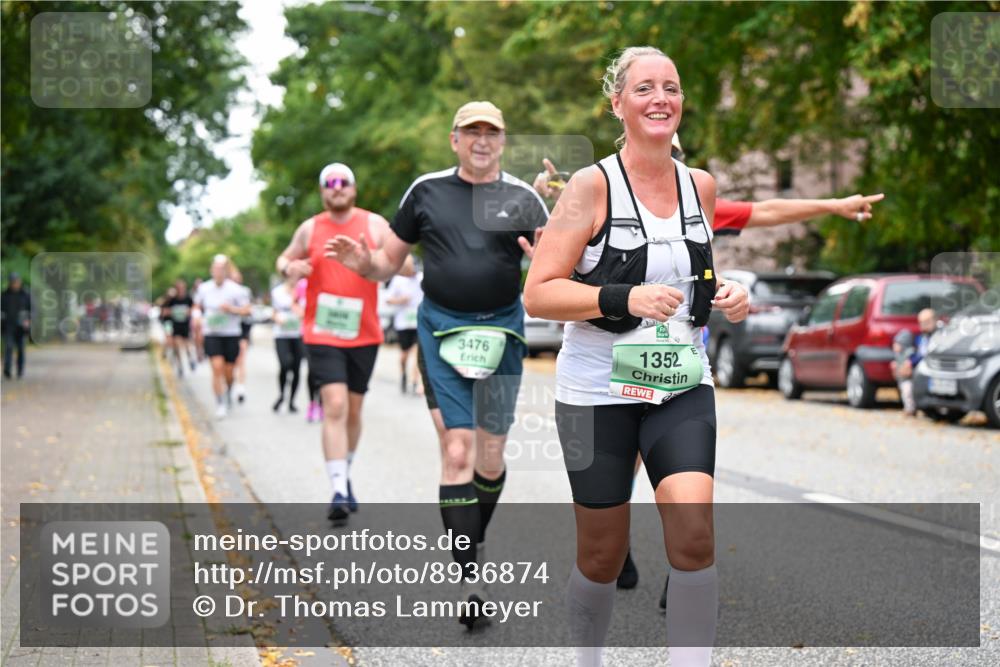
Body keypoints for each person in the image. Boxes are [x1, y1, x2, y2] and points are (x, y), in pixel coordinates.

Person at [523, 47, 749, 666]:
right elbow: (539, 292)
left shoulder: (699, 183)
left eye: (671, 88)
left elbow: (694, 269)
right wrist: (625, 296)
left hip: (680, 381)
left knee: (695, 535)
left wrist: (727, 293)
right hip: (596, 390)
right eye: (645, 88)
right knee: (600, 554)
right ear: (617, 103)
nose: (661, 99)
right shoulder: (589, 187)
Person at [326, 100, 548, 628]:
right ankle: (471, 581)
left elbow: (556, 268)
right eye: (471, 132)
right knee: (457, 448)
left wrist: (546, 266)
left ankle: (472, 533)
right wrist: (366, 266)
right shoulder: (425, 192)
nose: (481, 141)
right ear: (454, 140)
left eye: (491, 133)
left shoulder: (524, 198)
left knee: (490, 460)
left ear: (502, 141)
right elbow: (386, 262)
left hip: (502, 334)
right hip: (442, 331)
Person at [276, 162, 391, 525]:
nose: (336, 187)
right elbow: (284, 258)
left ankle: (346, 470)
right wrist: (288, 270)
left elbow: (401, 263)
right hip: (322, 330)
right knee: (335, 405)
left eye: (343, 182)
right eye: (329, 183)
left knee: (354, 411)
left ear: (354, 190)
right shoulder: (310, 228)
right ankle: (338, 489)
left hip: (364, 331)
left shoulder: (374, 224)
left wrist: (369, 260)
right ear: (322, 191)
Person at [193, 255, 252, 419]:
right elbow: (197, 306)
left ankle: (229, 390)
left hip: (231, 334)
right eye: (215, 269)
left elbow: (248, 310)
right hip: (212, 333)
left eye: (221, 269)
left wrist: (231, 309)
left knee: (228, 372)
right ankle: (220, 403)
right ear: (211, 270)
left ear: (226, 271)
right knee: (216, 367)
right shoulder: (204, 288)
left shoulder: (236, 289)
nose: (218, 272)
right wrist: (197, 315)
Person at [385, 257, 424, 394]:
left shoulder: (421, 278)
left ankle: (414, 381)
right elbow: (388, 299)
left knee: (419, 353)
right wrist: (400, 300)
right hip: (403, 322)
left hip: (418, 322)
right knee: (404, 354)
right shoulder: (398, 280)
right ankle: (403, 374)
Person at [270, 276, 306, 413]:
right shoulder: (277, 292)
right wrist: (277, 319)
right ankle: (281, 395)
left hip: (298, 334)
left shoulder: (303, 290)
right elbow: (273, 313)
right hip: (281, 334)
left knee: (296, 368)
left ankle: (291, 401)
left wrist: (301, 313)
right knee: (285, 364)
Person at [163, 279, 196, 377]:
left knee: (187, 345)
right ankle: (180, 366)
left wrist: (189, 313)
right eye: (179, 288)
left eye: (183, 288)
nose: (181, 290)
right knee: (177, 346)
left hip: (185, 326)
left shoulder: (188, 299)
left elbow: (194, 309)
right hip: (175, 326)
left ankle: (190, 359)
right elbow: (165, 313)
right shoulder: (171, 300)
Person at [2, 272, 31, 379]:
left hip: (21, 328)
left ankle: (20, 370)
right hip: (8, 326)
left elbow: (33, 310)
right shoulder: (4, 295)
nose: (15, 284)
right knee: (8, 347)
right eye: (12, 282)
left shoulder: (26, 295)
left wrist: (29, 320)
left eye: (16, 281)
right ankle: (7, 370)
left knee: (21, 349)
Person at [230, 268, 253, 403]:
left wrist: (233, 309)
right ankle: (230, 384)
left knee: (241, 359)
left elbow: (248, 310)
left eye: (237, 279)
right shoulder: (224, 292)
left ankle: (240, 387)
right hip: (227, 331)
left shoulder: (244, 291)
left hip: (242, 328)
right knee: (231, 363)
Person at [891, 329, 917, 415]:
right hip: (901, 379)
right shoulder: (897, 356)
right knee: (904, 394)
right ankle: (907, 407)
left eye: (896, 344)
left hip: (908, 380)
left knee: (908, 393)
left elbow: (909, 369)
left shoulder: (909, 354)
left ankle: (910, 409)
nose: (894, 346)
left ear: (904, 344)